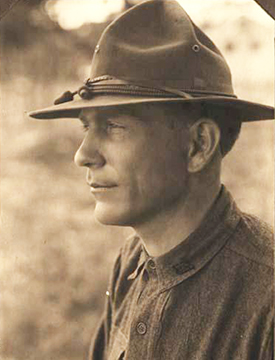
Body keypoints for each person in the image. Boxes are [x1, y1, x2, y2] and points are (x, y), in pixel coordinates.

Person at [29, 1, 274, 359]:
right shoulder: (132, 259)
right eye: (86, 127)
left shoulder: (266, 298)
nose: (83, 155)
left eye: (113, 126)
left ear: (198, 145)